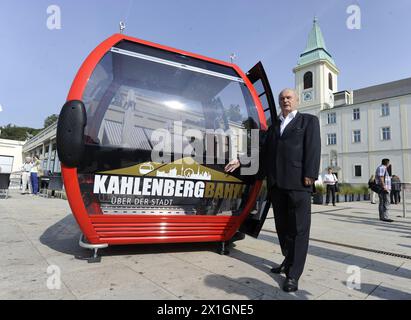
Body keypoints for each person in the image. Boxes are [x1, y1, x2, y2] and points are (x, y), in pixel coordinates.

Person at [225, 88, 321, 292]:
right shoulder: (274, 125)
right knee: (283, 228)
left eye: (289, 97)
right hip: (276, 184)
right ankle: (288, 260)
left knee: (299, 230)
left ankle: (294, 275)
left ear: (296, 100)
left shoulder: (308, 121)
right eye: (282, 98)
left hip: (299, 184)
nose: (285, 100)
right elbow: (261, 149)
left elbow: (313, 148)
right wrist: (240, 159)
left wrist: (310, 174)